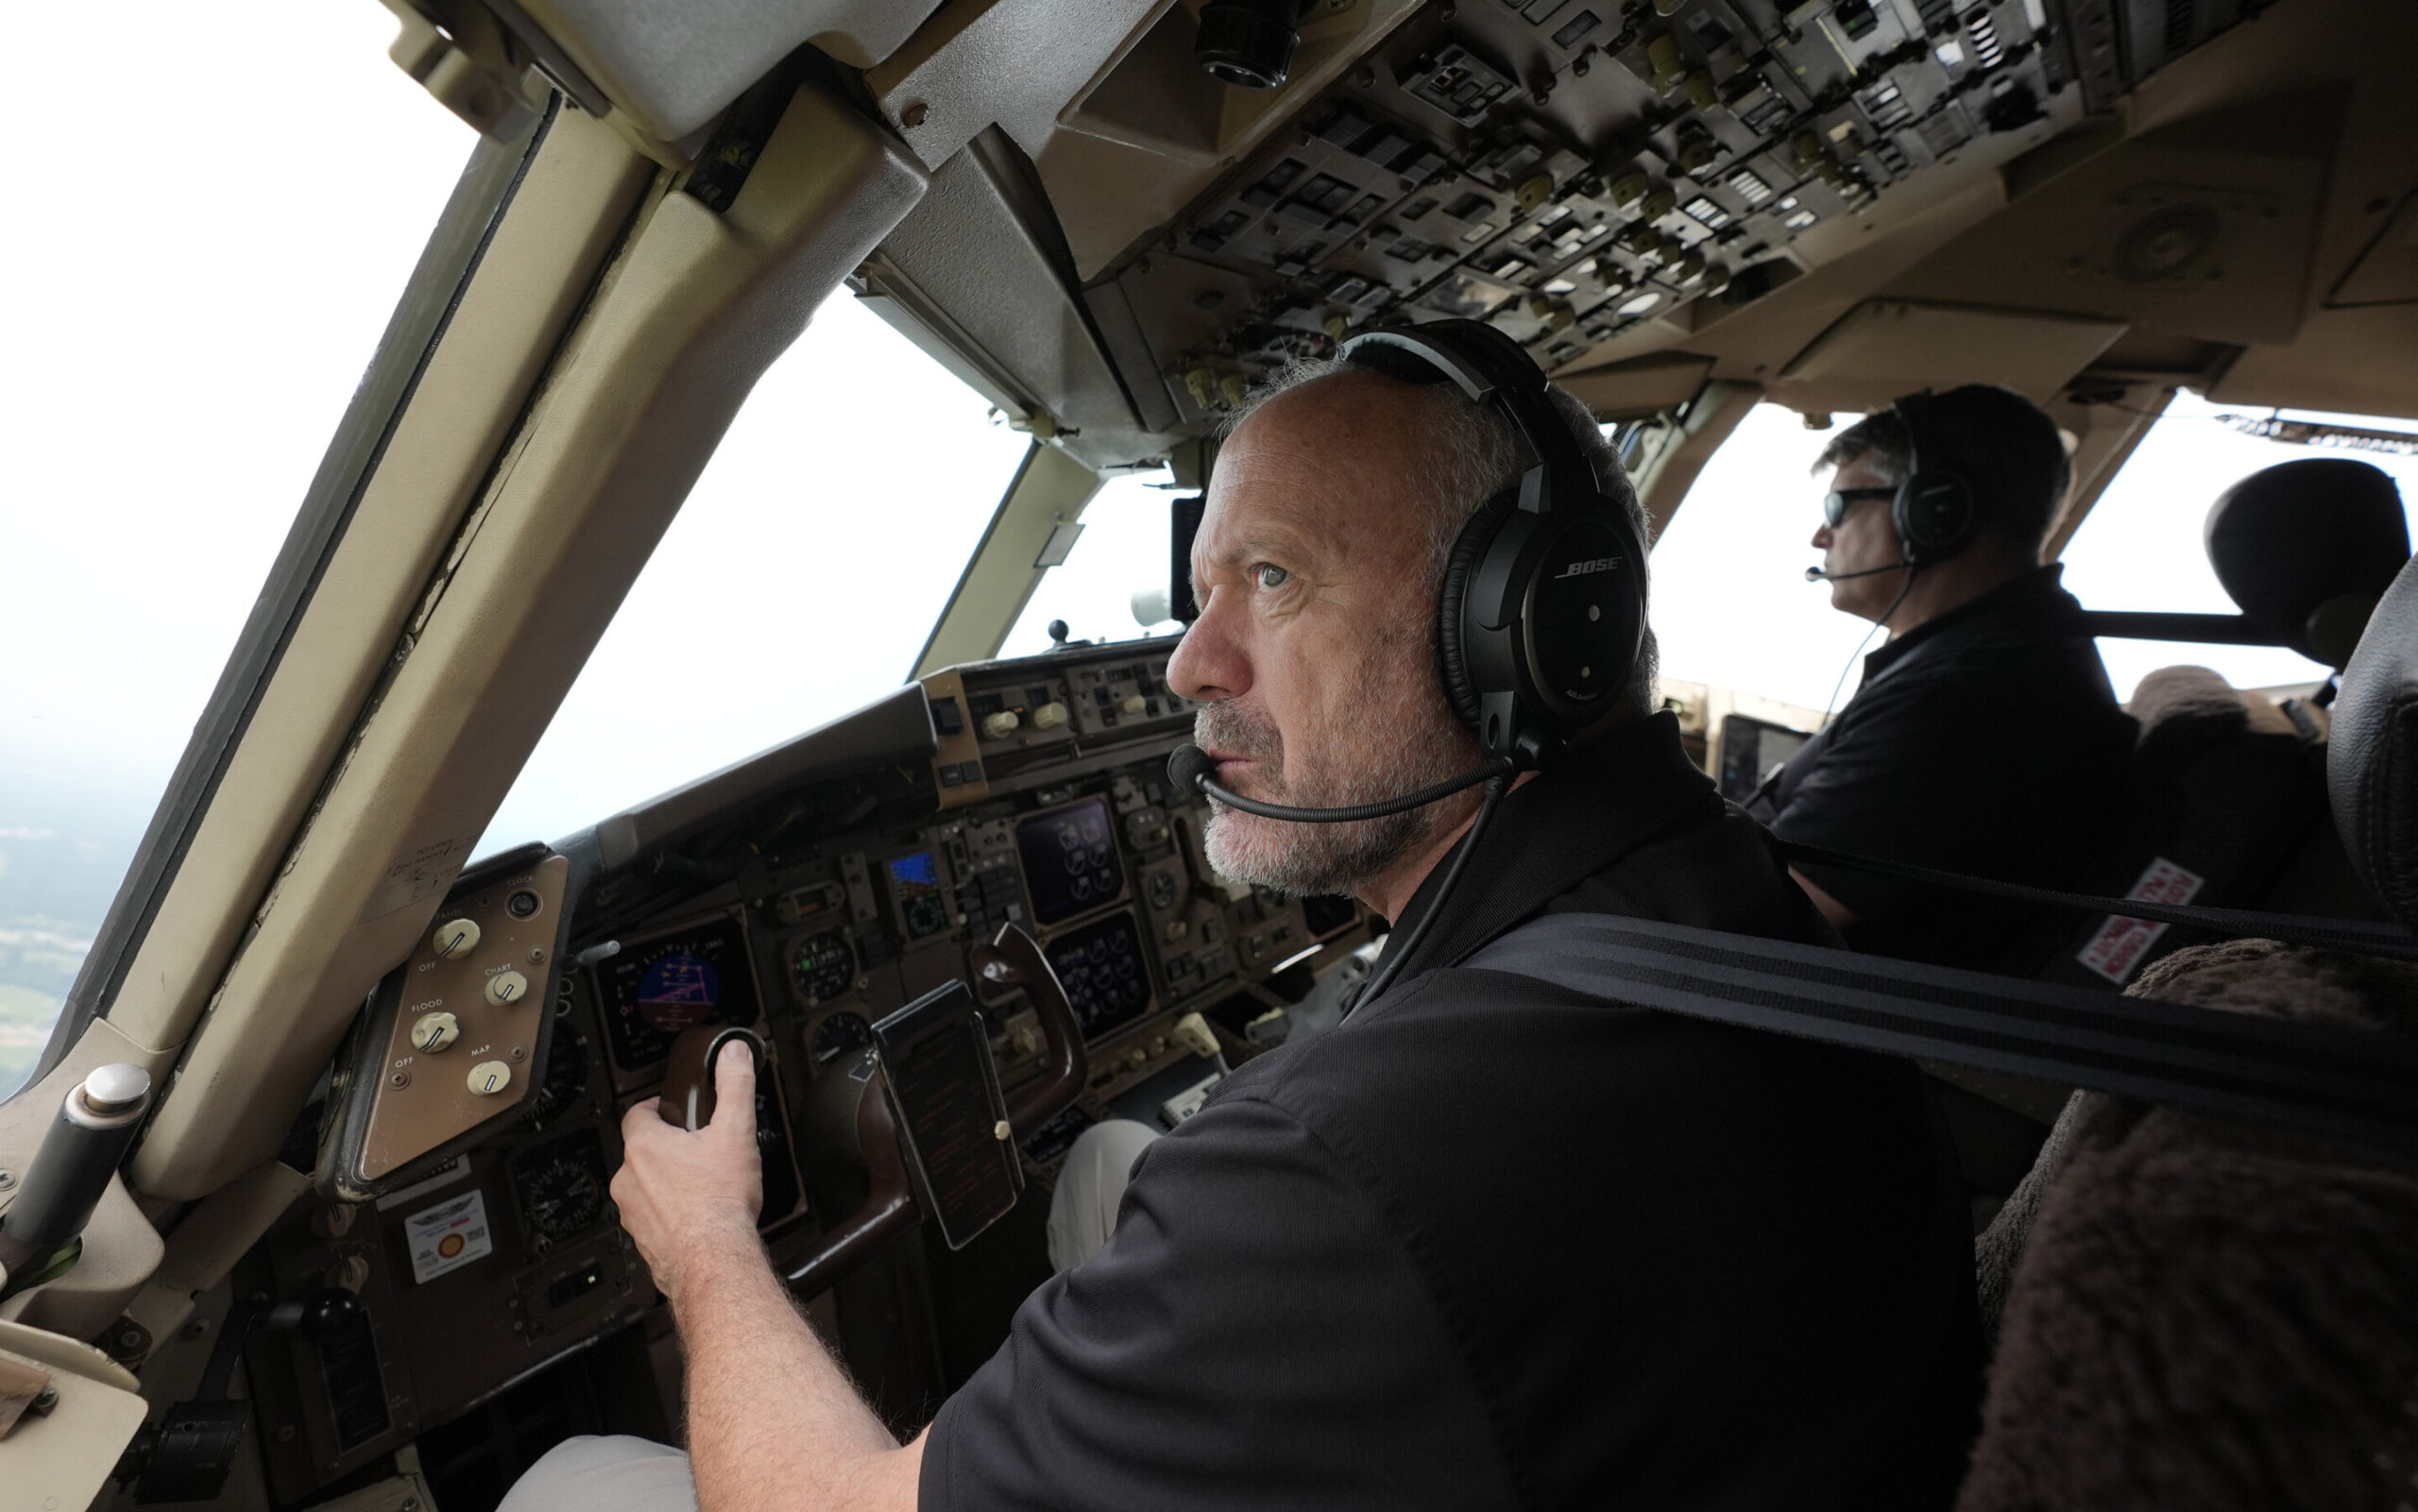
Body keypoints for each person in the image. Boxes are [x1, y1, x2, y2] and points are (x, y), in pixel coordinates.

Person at [500, 327, 1982, 1512]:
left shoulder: (1342, 1168)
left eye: (1272, 580)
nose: (1191, 668)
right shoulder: (1724, 891)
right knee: (1104, 1170)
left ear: (1523, 626)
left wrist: (707, 1244)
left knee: (578, 1481)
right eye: (1202, 590)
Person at [1746, 387, 2137, 973]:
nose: (1819, 537)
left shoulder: (1973, 692)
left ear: (1933, 511)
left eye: (1838, 509)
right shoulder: (2000, 650)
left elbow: (1753, 911)